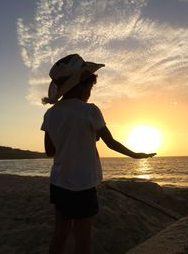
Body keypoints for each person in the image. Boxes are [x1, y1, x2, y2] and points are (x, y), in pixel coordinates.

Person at [41, 54, 156, 254]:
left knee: (60, 231)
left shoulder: (50, 113)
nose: (90, 93)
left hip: (59, 183)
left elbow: (50, 151)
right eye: (90, 88)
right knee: (83, 235)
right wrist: (135, 155)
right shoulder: (90, 111)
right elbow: (110, 143)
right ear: (81, 86)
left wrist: (74, 139)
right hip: (83, 184)